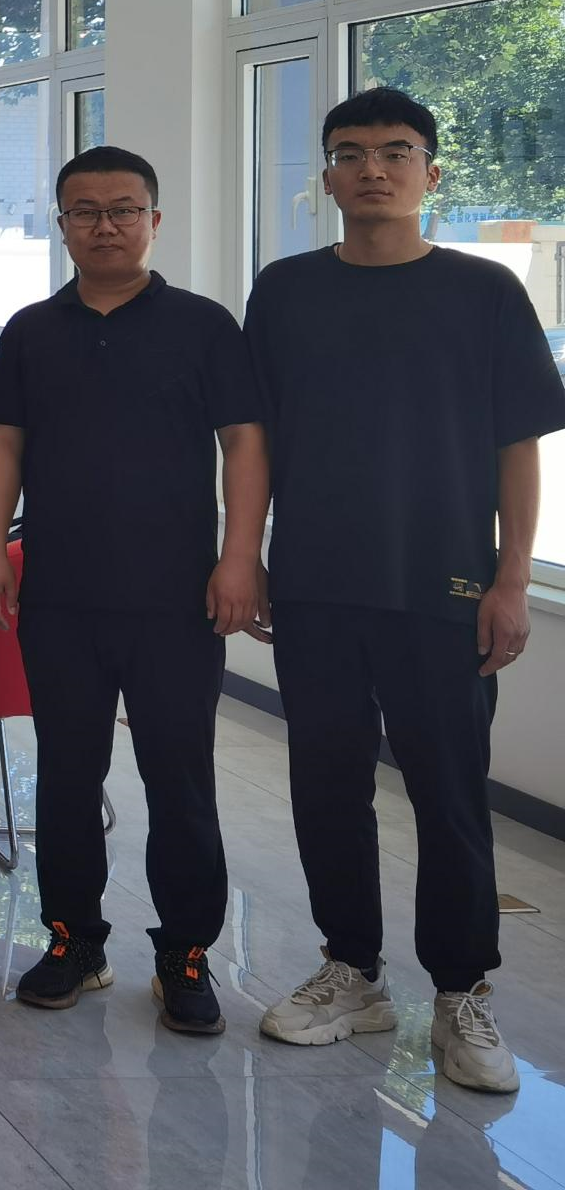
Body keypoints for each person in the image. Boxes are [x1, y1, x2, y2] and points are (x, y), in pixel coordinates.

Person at [245, 87, 564, 1093]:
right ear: (327, 177)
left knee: (450, 794)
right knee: (326, 787)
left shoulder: (483, 292)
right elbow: (255, 439)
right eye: (350, 153)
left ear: (432, 171)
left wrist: (511, 579)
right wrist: (246, 553)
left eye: (394, 151)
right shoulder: (285, 291)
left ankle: (461, 991)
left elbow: (518, 447)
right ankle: (353, 971)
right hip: (316, 586)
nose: (372, 168)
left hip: (446, 589)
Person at [0, 146, 268, 1035]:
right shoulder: (33, 330)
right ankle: (74, 940)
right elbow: (2, 444)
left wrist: (241, 556)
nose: (105, 226)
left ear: (153, 221)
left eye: (123, 210)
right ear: (61, 225)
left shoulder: (204, 325)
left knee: (180, 779)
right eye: (86, 211)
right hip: (60, 594)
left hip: (177, 597)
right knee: (67, 775)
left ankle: (185, 953)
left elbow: (244, 443)